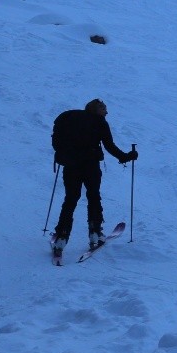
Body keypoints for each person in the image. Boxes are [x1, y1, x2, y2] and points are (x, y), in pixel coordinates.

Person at [51, 98, 137, 259]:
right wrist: (126, 157)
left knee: (70, 199)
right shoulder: (100, 122)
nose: (106, 112)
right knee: (93, 196)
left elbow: (58, 141)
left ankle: (61, 238)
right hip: (90, 165)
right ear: (96, 110)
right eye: (104, 108)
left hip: (71, 165)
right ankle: (95, 233)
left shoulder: (70, 119)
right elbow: (109, 146)